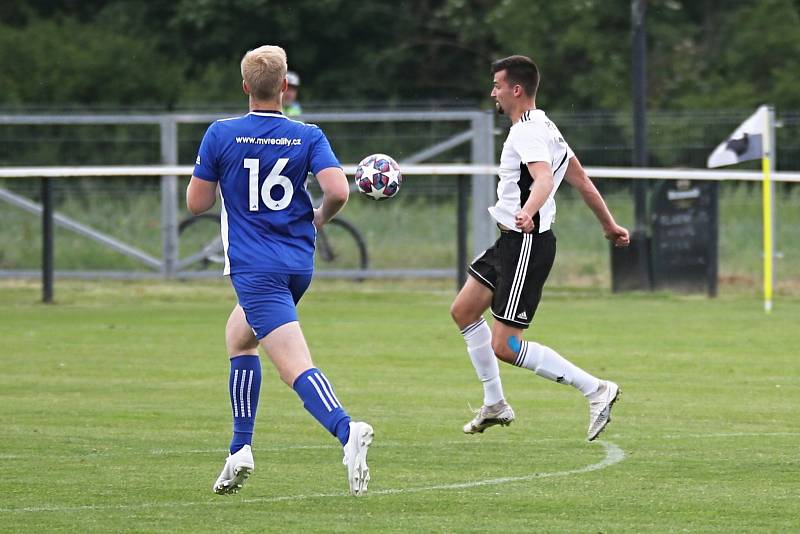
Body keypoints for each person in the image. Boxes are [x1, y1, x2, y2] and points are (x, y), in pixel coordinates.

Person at [186, 45, 373, 497]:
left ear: (246, 86)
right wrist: (319, 218)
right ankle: (239, 450)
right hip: (296, 263)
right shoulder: (307, 135)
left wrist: (219, 174)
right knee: (239, 336)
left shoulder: (221, 133)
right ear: (285, 87)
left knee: (293, 365)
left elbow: (197, 204)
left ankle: (347, 430)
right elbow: (337, 191)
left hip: (256, 269)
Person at [450, 55, 630, 441]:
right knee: (464, 310)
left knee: (505, 345)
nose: (493, 92)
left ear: (516, 89)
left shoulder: (527, 132)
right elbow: (580, 180)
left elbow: (546, 179)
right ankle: (495, 403)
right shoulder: (544, 126)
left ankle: (596, 389)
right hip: (511, 242)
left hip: (527, 244)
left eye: (497, 85)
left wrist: (528, 211)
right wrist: (609, 225)